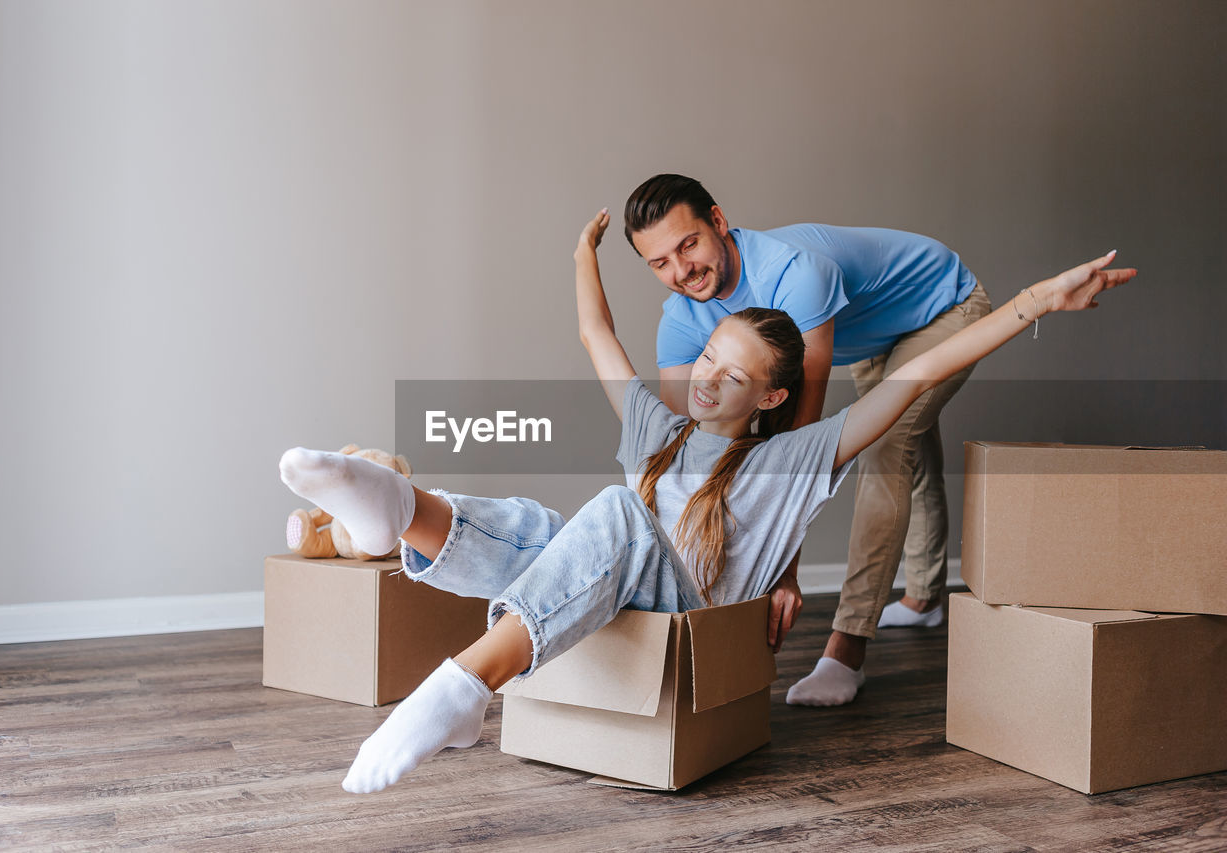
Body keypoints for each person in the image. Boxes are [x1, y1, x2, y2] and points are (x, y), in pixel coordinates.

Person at [277, 208, 1133, 793]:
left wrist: (1033, 303)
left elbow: (914, 373)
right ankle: (394, 507)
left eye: (733, 374)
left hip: (688, 616)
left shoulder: (796, 457)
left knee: (611, 518)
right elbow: (596, 337)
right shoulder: (659, 427)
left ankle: (467, 684)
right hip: (607, 592)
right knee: (548, 530)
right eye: (707, 358)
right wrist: (584, 254)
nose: (707, 380)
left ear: (768, 398)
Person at [623, 173, 993, 706]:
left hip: (943, 306)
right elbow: (682, 448)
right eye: (660, 263)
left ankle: (847, 650)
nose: (682, 271)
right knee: (912, 447)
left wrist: (784, 573)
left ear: (719, 223)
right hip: (870, 332)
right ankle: (924, 598)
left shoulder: (795, 275)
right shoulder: (681, 316)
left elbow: (801, 442)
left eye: (689, 244)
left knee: (887, 449)